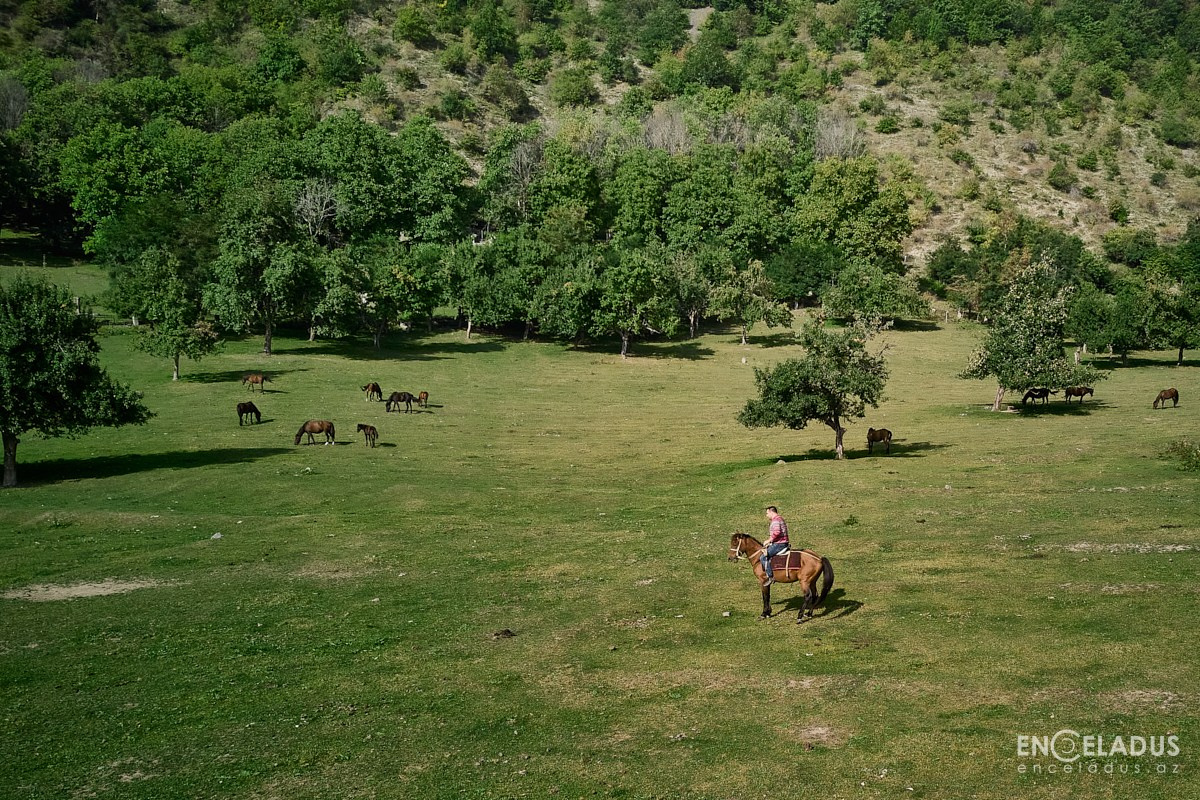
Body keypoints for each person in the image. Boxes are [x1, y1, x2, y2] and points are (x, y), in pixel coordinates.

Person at [760, 506, 790, 587]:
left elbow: (777, 532)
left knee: (763, 557)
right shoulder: (779, 519)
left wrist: (769, 540)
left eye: (767, 513)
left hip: (779, 544)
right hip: (780, 543)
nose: (766, 515)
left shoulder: (776, 520)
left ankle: (770, 576)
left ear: (771, 512)